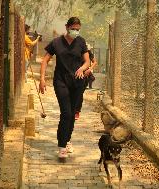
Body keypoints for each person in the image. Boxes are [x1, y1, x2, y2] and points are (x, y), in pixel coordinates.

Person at [39, 17, 90, 159]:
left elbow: (87, 61)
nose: (75, 31)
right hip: (61, 82)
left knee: (72, 113)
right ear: (67, 27)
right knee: (66, 113)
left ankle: (67, 140)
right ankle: (62, 145)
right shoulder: (56, 42)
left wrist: (82, 68)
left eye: (78, 29)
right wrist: (42, 79)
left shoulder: (81, 42)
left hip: (77, 83)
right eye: (73, 29)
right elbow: (45, 60)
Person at [75, 44, 97, 120]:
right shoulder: (76, 52)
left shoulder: (89, 53)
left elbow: (94, 62)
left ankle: (77, 111)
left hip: (85, 75)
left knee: (79, 93)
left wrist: (89, 69)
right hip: (75, 74)